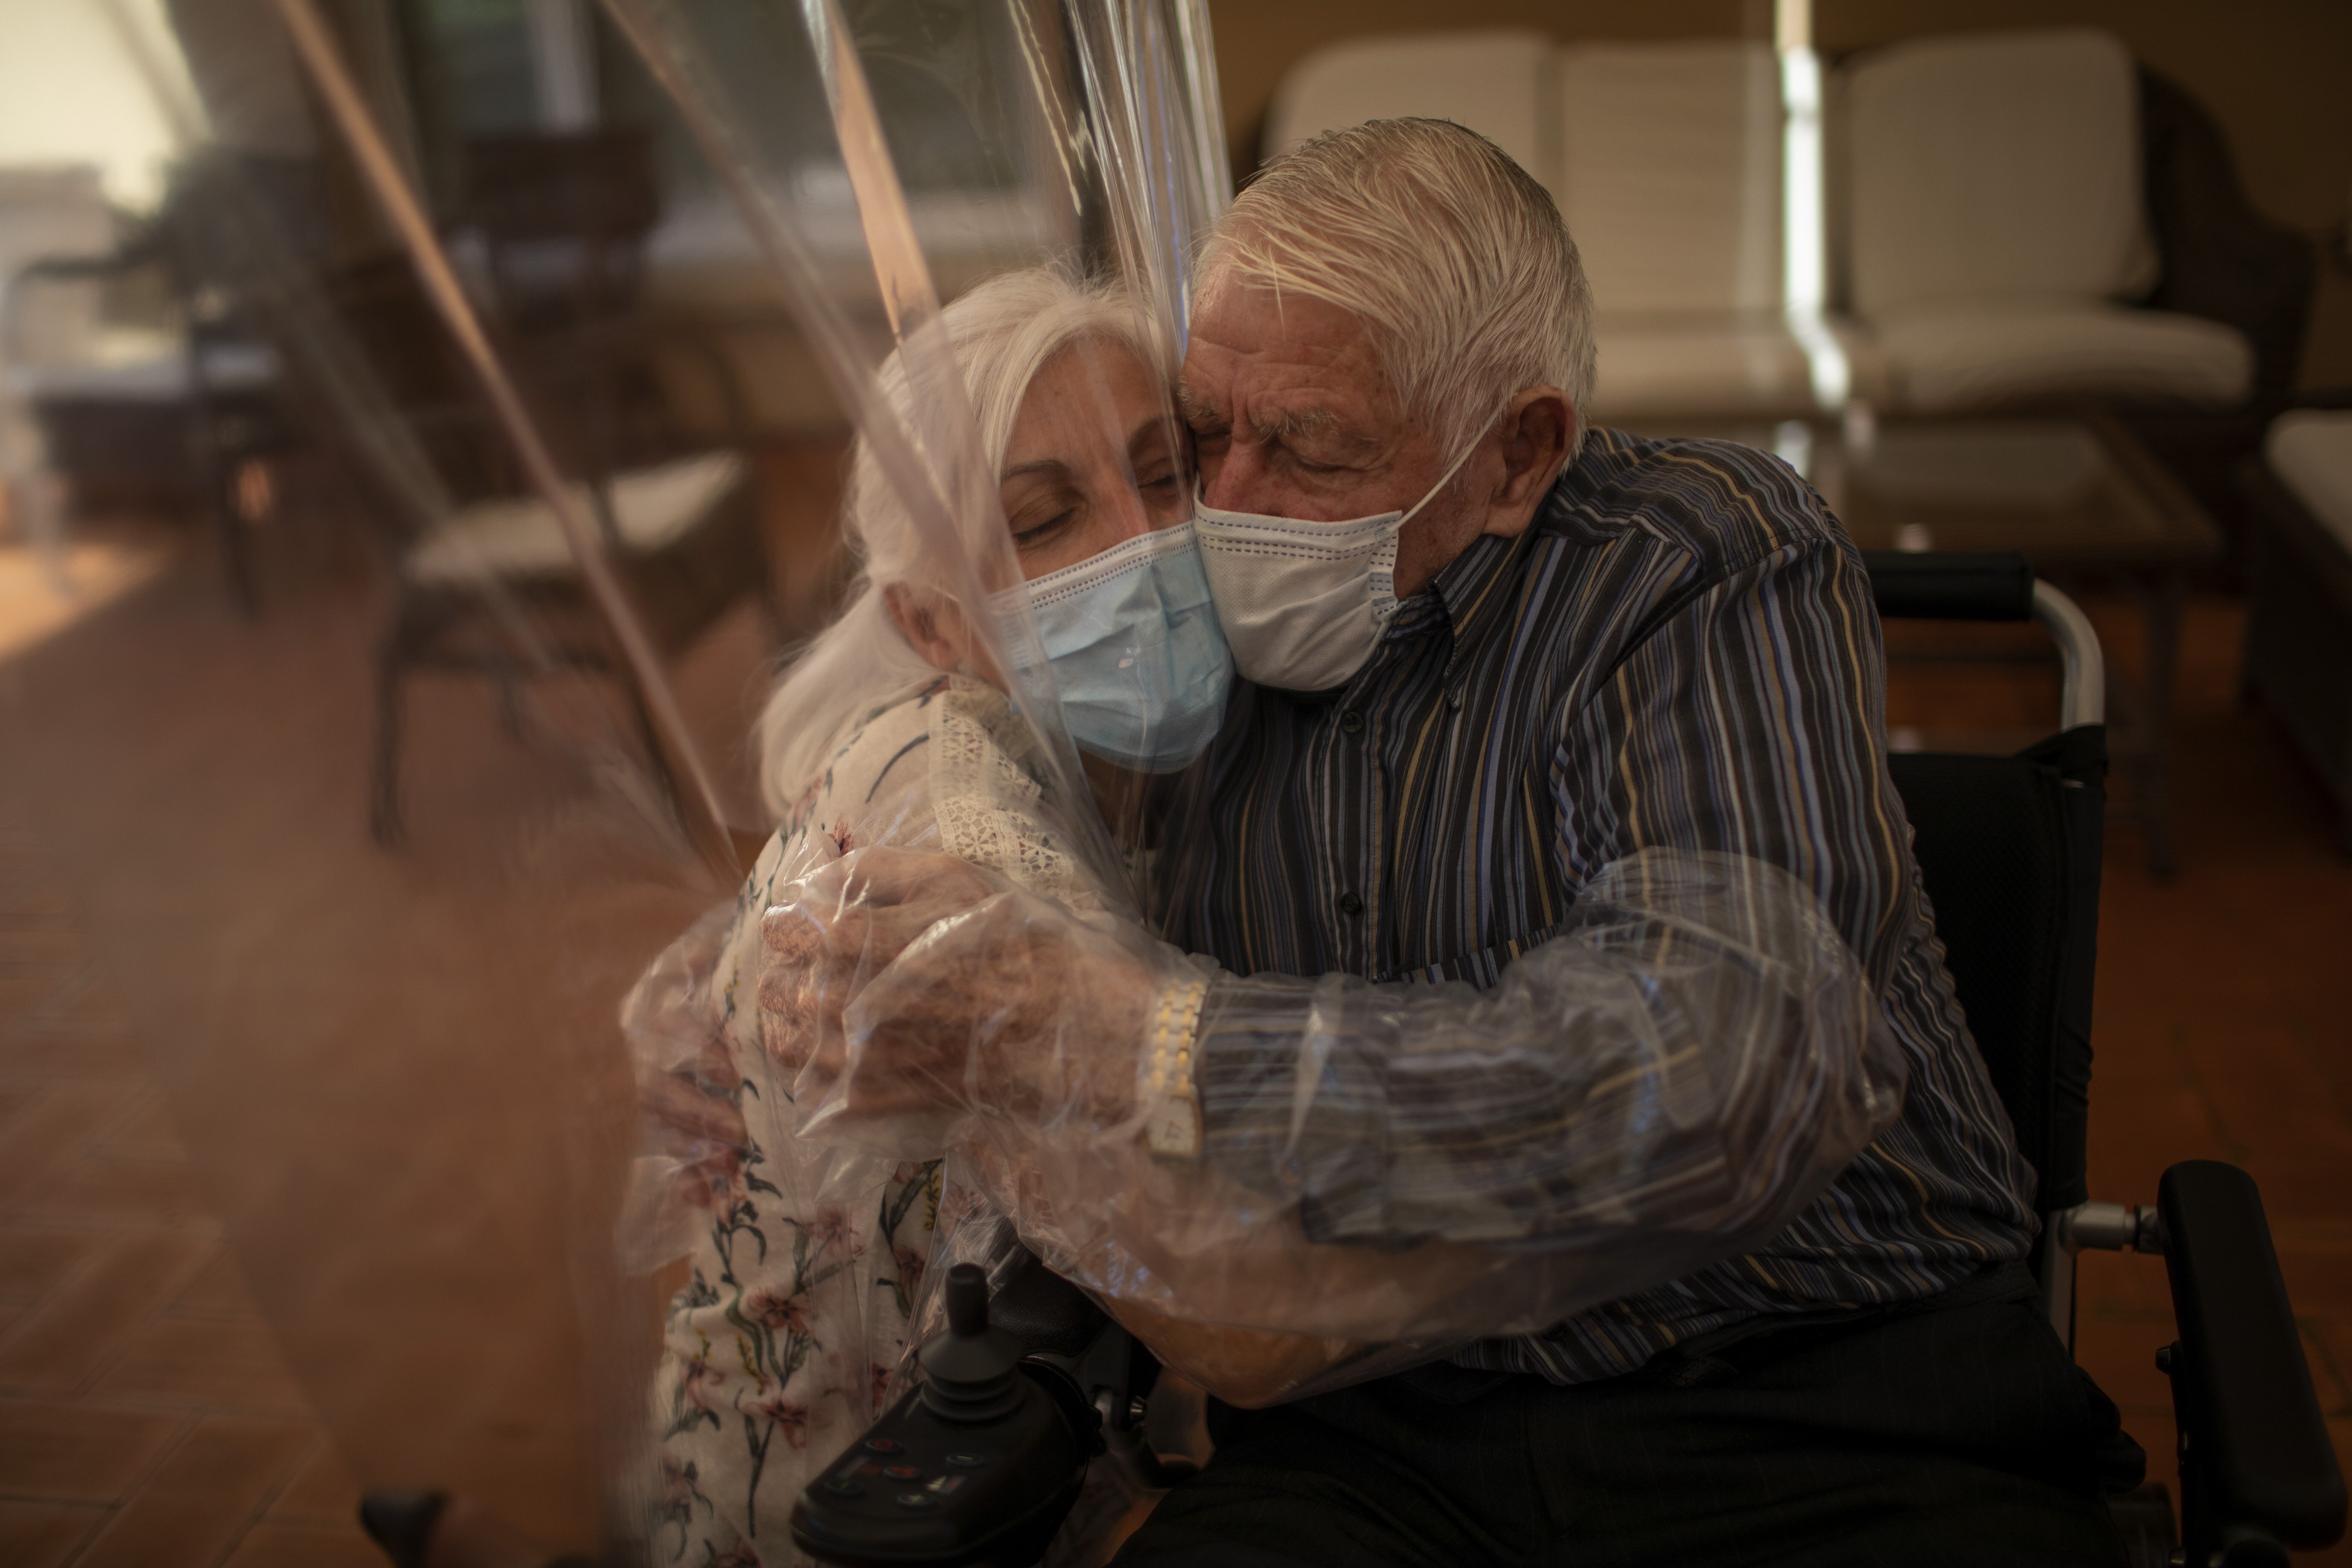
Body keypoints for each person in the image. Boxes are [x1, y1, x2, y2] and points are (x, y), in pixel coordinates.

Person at [747, 119, 2145, 1565]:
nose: (1216, 514)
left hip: (1817, 1387)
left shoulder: (1692, 566)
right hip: (1378, 1432)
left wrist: (1145, 1037)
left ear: (1518, 452)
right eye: (1202, 435)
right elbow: (969, 715)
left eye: (1305, 447)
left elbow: (1714, 1069)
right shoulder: (1186, 665)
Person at [624, 262, 1223, 1567]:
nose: (1141, 540)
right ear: (932, 621)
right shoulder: (961, 835)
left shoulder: (1055, 749)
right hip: (848, 1499)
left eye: (1163, 473)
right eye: (1046, 520)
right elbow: (1209, 1246)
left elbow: (672, 1017)